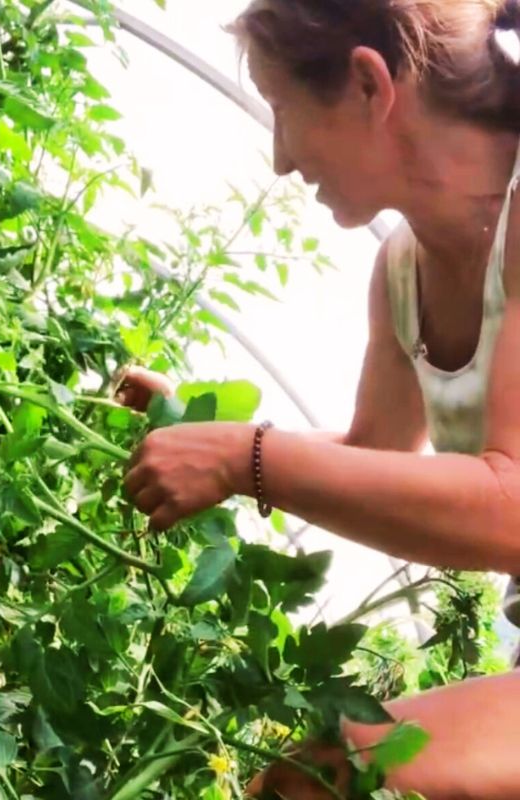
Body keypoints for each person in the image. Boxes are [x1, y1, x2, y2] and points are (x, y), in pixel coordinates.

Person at [117, 0, 520, 797]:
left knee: (314, 777)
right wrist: (201, 431)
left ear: (370, 87)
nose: (279, 159)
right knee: (310, 779)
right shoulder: (403, 272)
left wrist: (244, 459)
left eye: (282, 111)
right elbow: (375, 465)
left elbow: (508, 508)